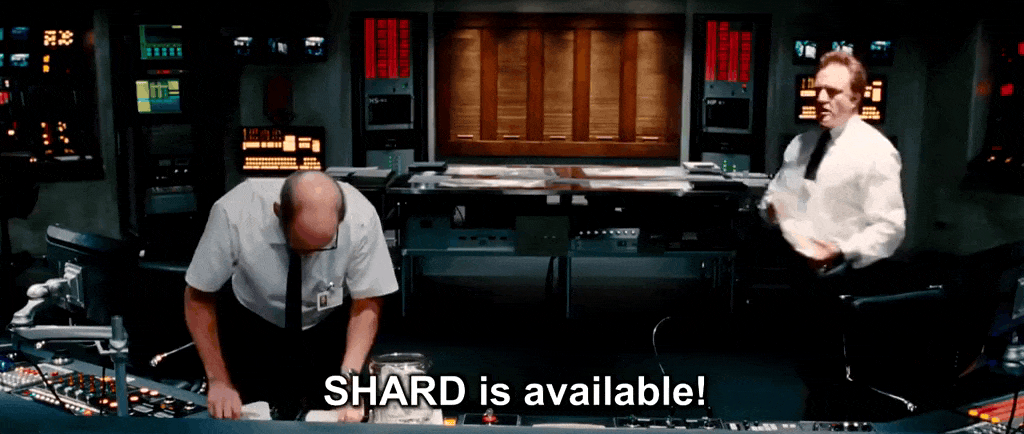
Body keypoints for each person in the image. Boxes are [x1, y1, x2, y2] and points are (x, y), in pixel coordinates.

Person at [184, 170, 398, 421]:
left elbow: (367, 300)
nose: (311, 257)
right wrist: (218, 381)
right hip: (253, 321)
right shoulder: (234, 213)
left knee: (334, 416)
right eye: (302, 248)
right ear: (278, 213)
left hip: (327, 323)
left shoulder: (361, 217)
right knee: (247, 416)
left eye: (322, 247)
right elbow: (198, 296)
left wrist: (349, 382)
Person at [760, 50, 905, 292]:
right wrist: (772, 209)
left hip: (844, 277)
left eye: (832, 91)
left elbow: (890, 229)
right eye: (818, 90)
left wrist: (839, 250)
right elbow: (772, 199)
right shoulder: (801, 145)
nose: (821, 98)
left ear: (855, 98)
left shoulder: (876, 152)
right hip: (794, 272)